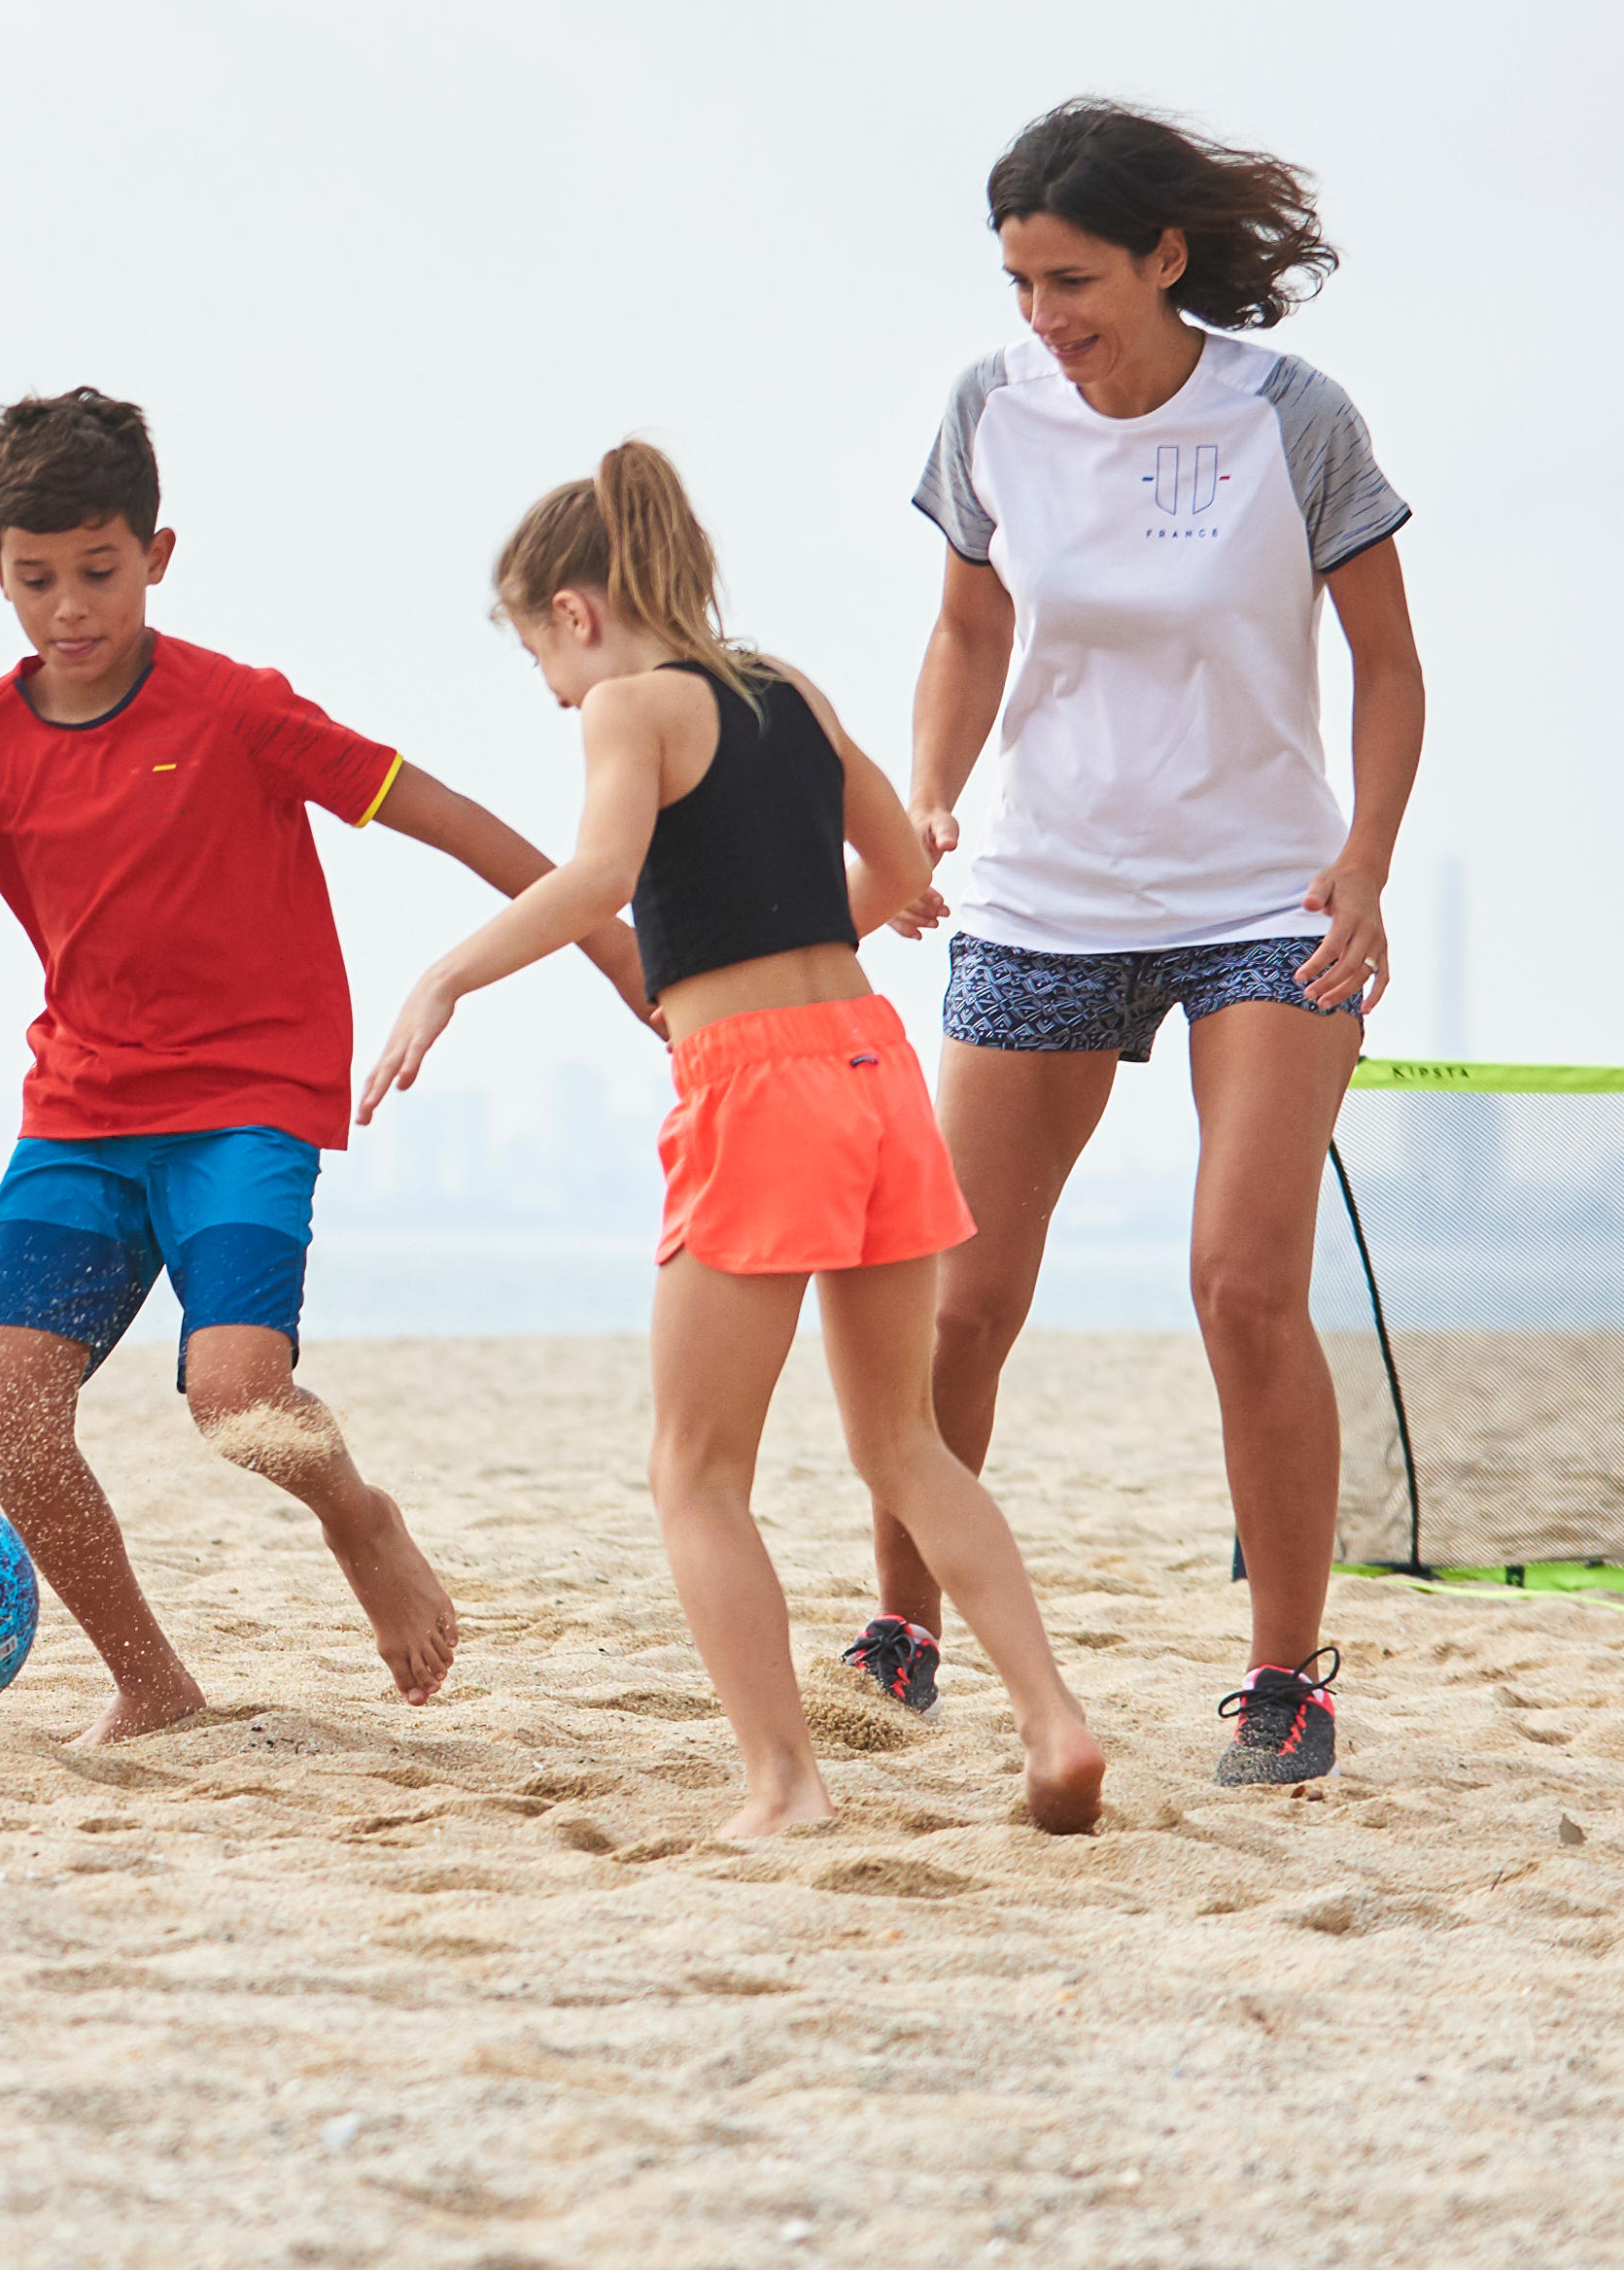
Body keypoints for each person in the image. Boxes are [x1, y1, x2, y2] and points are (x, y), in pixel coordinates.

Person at [0, 387, 636, 1741]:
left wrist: (618, 953)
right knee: (8, 1414)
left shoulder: (234, 710)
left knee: (238, 1401)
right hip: (79, 1118)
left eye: (99, 571)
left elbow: (446, 816)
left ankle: (358, 1517)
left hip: (246, 1107)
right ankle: (152, 1686)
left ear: (156, 555)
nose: (68, 608)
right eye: (37, 579)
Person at [364, 442, 1108, 1841]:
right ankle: (1054, 1723)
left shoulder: (629, 705)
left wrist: (445, 978)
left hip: (757, 1089)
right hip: (874, 1067)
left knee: (694, 1471)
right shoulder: (792, 691)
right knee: (907, 1446)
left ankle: (785, 1786)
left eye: (539, 655)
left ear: (576, 611)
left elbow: (598, 875)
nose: (554, 690)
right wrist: (790, 923)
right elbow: (902, 873)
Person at [866, 99, 1424, 1791]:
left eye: (1073, 280)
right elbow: (968, 627)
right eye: (1021, 283)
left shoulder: (1289, 417)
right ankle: (901, 1637)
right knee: (960, 1301)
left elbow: (1389, 663)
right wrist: (929, 796)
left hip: (1265, 900)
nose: (1043, 315)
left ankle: (1284, 1680)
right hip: (1045, 894)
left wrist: (1366, 863)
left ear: (1165, 257)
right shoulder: (991, 408)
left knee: (1243, 1286)